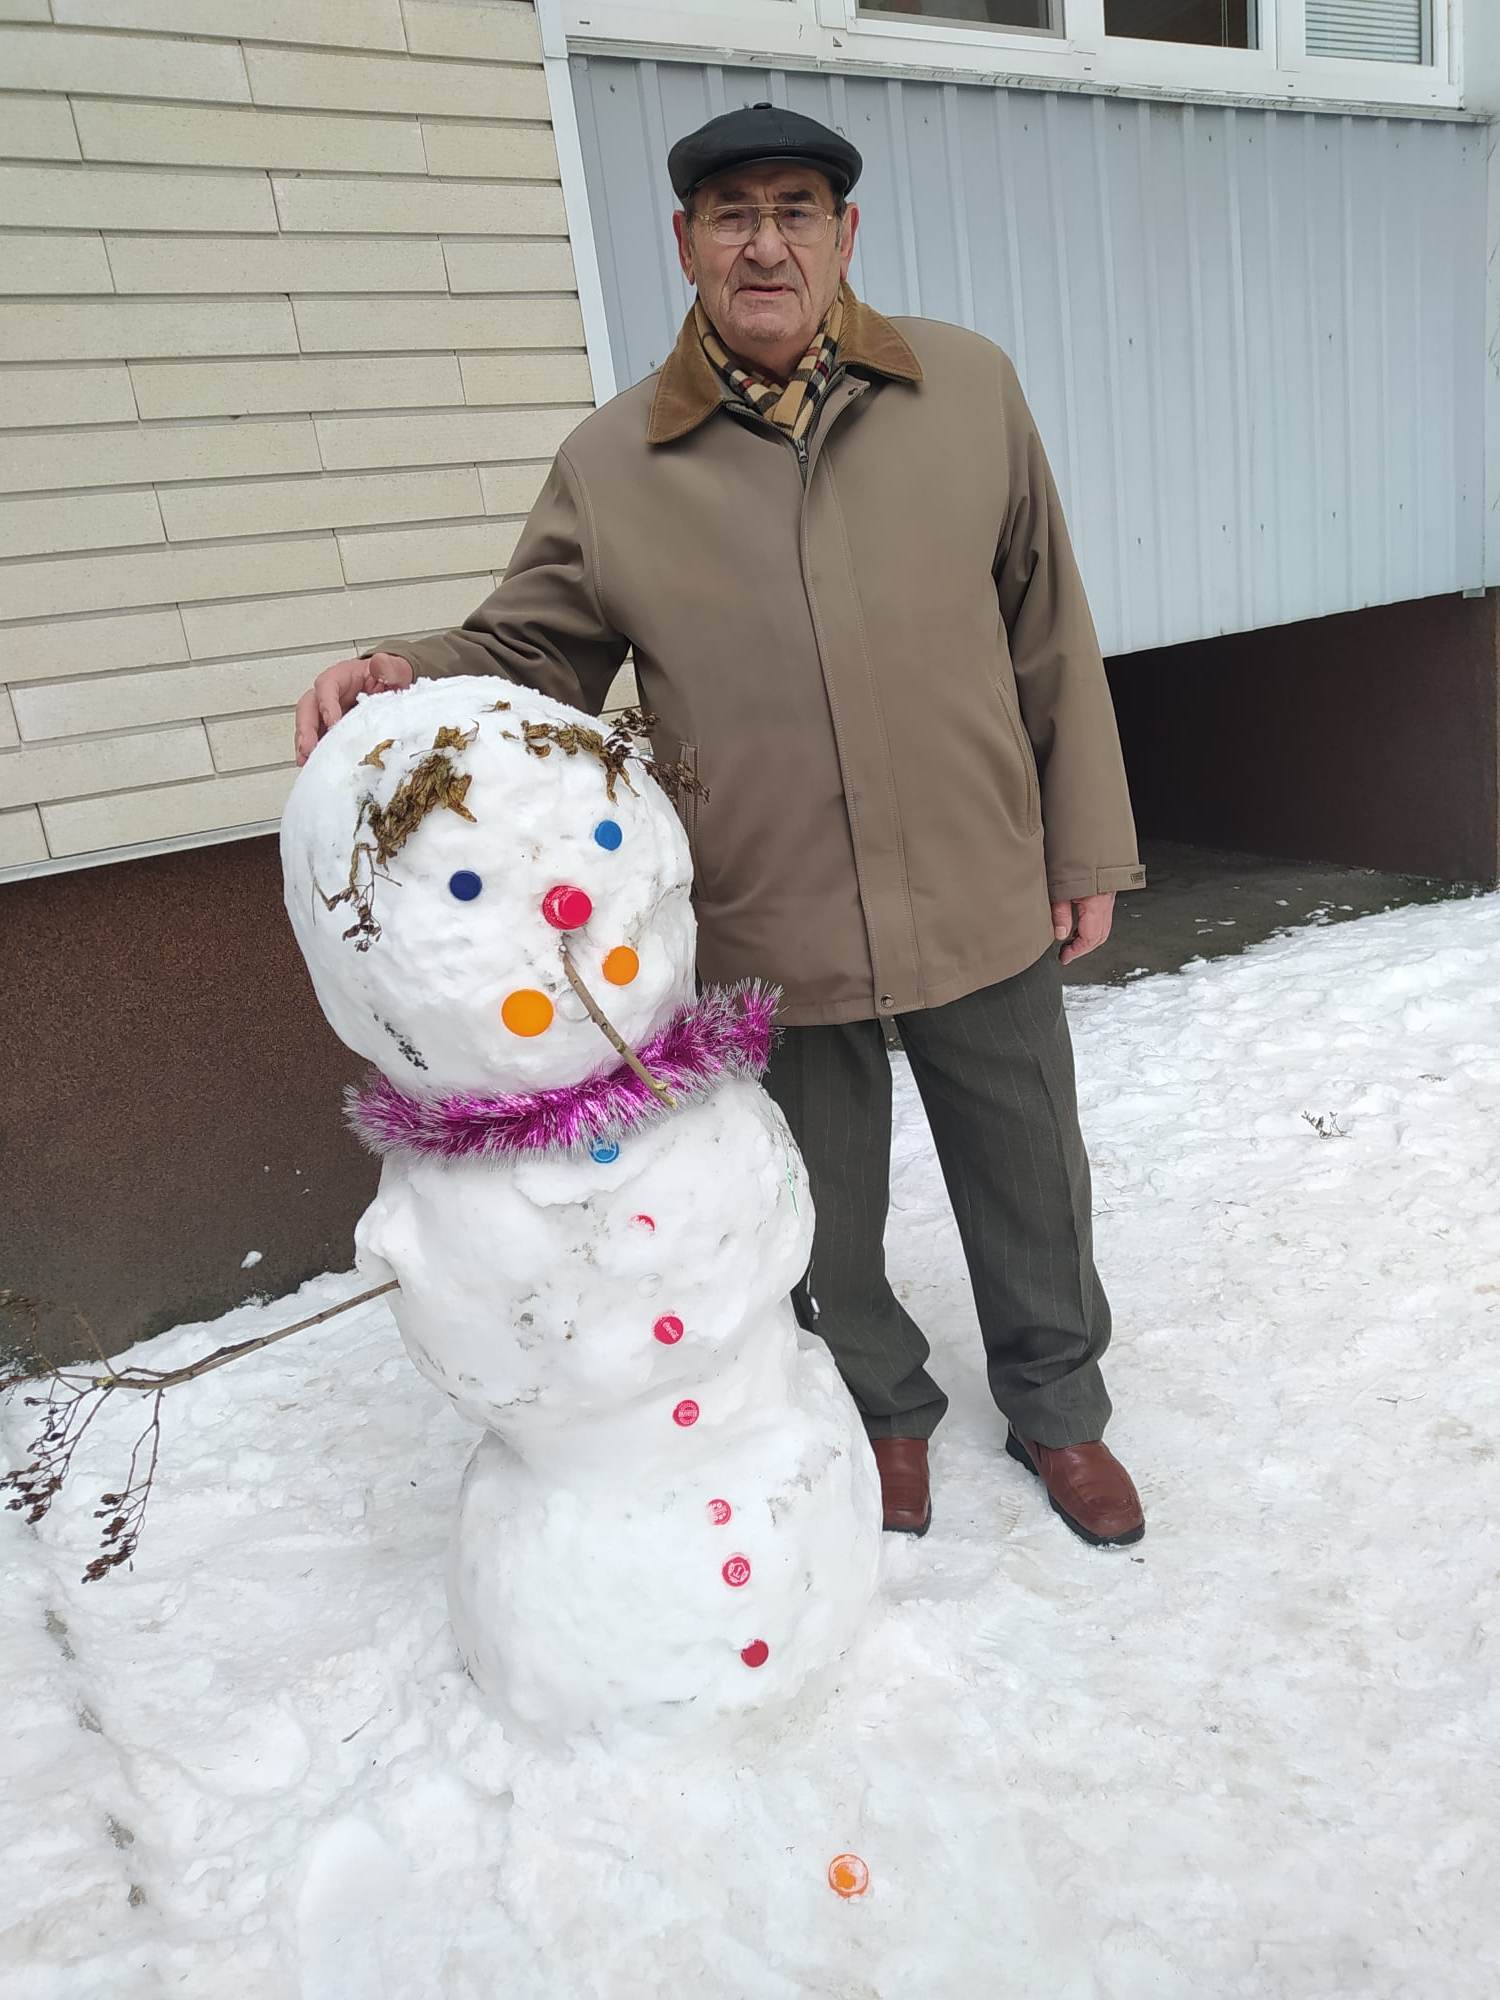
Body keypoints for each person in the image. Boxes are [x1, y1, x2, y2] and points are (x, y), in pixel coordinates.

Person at [295, 102, 1148, 1548]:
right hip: (772, 902)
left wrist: (1085, 847)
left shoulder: (969, 393)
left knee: (1030, 1170)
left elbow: (1049, 634)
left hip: (975, 872)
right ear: (685, 244)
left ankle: (1061, 1410)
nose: (767, 242)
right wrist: (404, 670)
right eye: (733, 214)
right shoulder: (616, 461)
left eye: (798, 209)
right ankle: (881, 1409)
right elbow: (535, 652)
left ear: (844, 235)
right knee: (820, 1202)